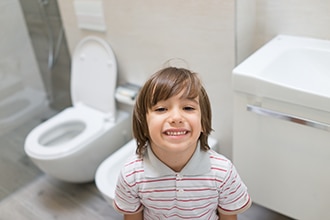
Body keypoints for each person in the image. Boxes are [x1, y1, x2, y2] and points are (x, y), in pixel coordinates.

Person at [113, 66, 251, 220]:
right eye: (161, 109)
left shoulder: (223, 172)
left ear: (203, 122)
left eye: (187, 107)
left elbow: (228, 216)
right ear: (143, 124)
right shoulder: (131, 174)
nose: (176, 117)